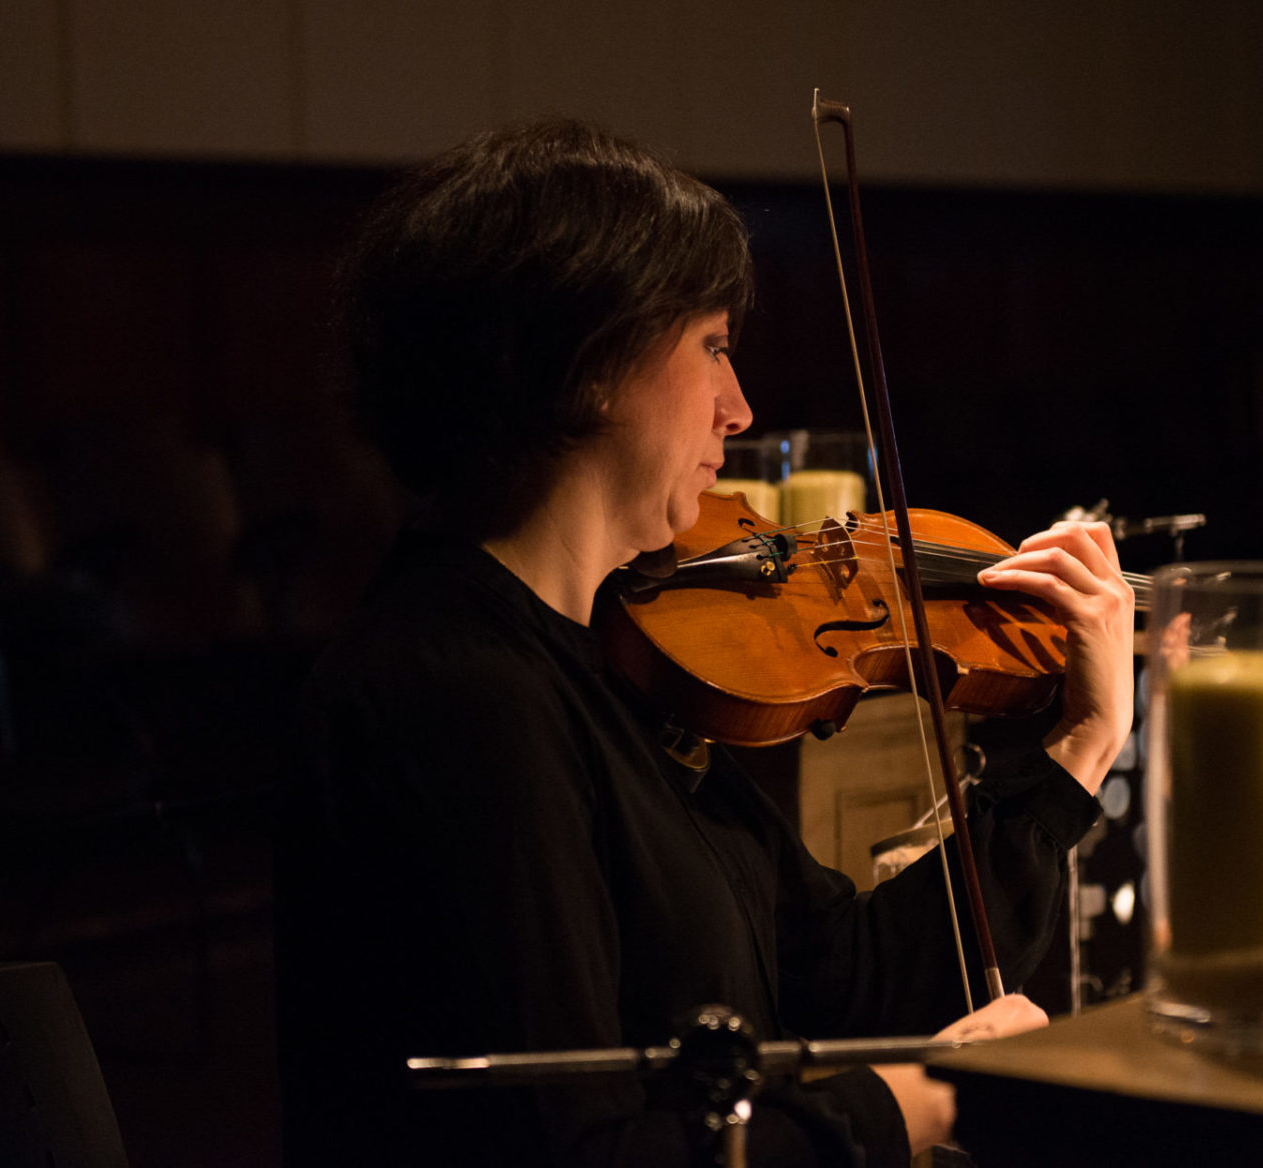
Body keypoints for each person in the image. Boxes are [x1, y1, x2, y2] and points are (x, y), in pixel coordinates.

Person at [274, 118, 1135, 1167]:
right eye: (713, 346)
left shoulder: (609, 664)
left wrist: (1079, 744)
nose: (740, 407)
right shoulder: (459, 699)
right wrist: (914, 1105)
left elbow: (845, 976)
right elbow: (582, 1153)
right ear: (589, 361)